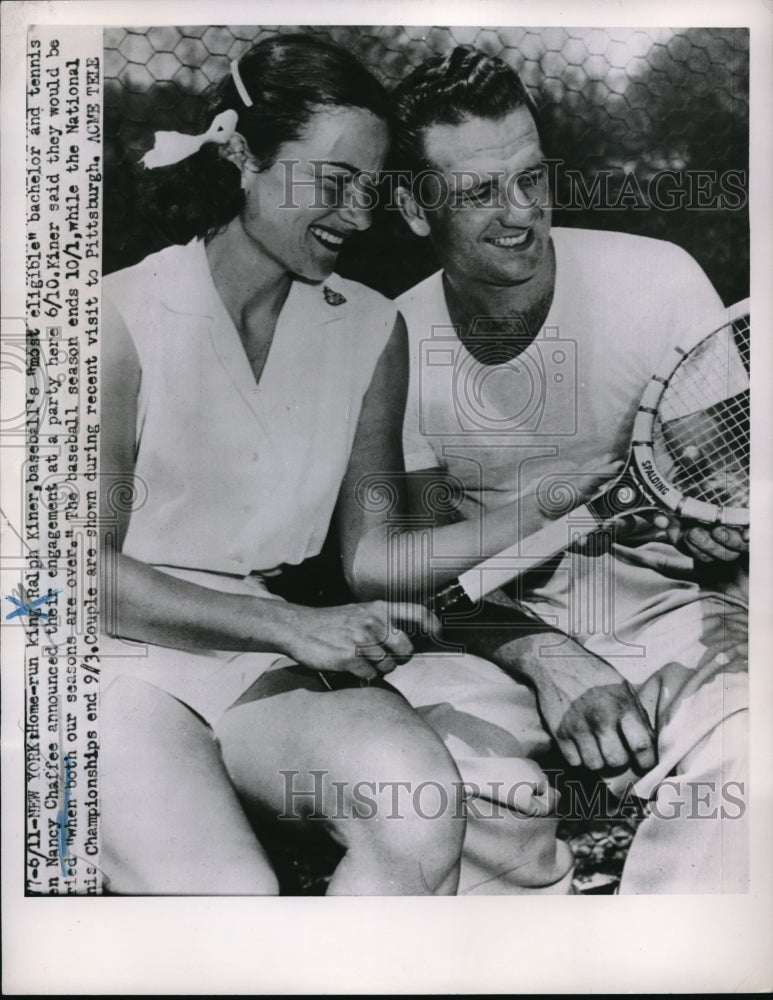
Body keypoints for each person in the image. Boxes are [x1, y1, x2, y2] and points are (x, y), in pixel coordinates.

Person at [98, 34, 469, 896]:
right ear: (239, 155)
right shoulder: (118, 317)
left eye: (371, 191)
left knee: (417, 810)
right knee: (231, 901)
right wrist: (298, 630)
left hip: (247, 654)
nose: (357, 214)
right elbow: (78, 576)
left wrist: (559, 504)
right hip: (98, 656)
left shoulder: (371, 328)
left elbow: (373, 560)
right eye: (332, 183)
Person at [385, 45, 749, 893]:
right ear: (411, 206)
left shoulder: (656, 280)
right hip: (487, 637)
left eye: (531, 177)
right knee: (430, 790)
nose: (519, 214)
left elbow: (730, 493)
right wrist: (545, 657)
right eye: (478, 192)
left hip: (669, 609)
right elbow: (417, 579)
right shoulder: (389, 345)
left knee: (750, 745)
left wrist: (723, 559)